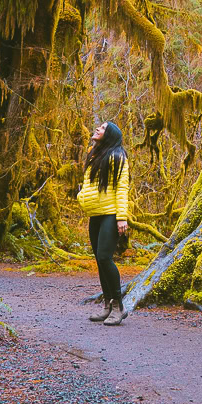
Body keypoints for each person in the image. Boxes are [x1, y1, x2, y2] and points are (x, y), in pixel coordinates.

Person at [77, 121, 129, 325]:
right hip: (95, 214)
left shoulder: (118, 157)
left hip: (110, 214)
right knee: (99, 260)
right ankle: (107, 305)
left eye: (102, 128)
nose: (97, 129)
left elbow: (122, 188)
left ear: (109, 135)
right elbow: (89, 185)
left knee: (105, 257)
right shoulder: (94, 154)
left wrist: (122, 217)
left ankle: (119, 306)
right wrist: (81, 197)